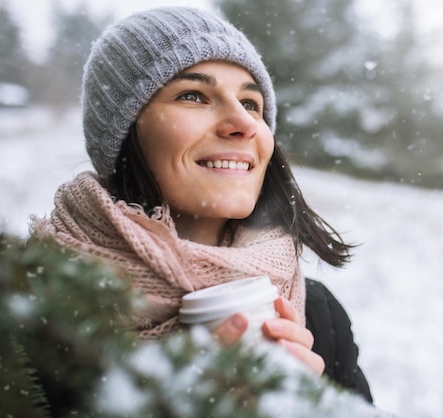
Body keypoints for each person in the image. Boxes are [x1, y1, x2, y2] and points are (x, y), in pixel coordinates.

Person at [31, 6, 372, 402]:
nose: (243, 123)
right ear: (124, 132)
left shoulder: (319, 318)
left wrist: (313, 407)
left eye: (251, 103)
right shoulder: (26, 315)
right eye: (193, 95)